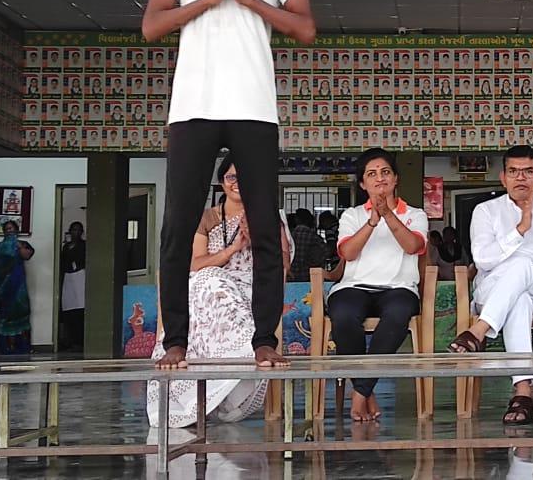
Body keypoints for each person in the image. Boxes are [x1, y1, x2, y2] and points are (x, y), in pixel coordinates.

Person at [142, 0, 315, 370]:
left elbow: (305, 29)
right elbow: (151, 27)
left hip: (254, 106)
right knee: (178, 225)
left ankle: (265, 339)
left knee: (264, 226)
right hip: (193, 104)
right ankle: (177, 339)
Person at [147, 153, 292, 426]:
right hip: (209, 288)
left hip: (252, 288)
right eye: (232, 177)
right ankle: (235, 355)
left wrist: (261, 241)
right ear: (222, 182)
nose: (238, 183)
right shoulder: (206, 218)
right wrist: (233, 249)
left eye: (245, 177)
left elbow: (283, 265)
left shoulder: (267, 217)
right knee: (210, 279)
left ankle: (244, 357)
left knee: (213, 282)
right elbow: (195, 264)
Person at [449, 145, 533, 425]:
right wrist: (521, 228)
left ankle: (479, 331)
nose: (520, 178)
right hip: (497, 287)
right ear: (503, 178)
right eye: (513, 171)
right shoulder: (486, 211)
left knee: (524, 265)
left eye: (528, 172)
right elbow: (484, 260)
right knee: (518, 298)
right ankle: (522, 393)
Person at [326, 148, 428, 421]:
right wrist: (373, 221)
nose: (379, 179)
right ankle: (367, 391)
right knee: (344, 315)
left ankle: (359, 393)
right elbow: (347, 254)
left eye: (385, 172)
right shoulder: (352, 215)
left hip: (399, 289)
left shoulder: (416, 214)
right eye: (371, 174)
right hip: (354, 287)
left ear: (395, 179)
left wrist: (388, 215)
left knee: (397, 315)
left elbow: (413, 246)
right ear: (363, 184)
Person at [0, 222, 34, 355]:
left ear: (17, 230)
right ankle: (5, 348)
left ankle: (23, 348)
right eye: (6, 229)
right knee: (5, 317)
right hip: (4, 288)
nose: (9, 231)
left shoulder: (21, 244)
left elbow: (28, 255)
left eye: (11, 229)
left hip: (19, 286)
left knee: (22, 313)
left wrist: (19, 247)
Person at [59, 221, 87, 352]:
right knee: (68, 309)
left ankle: (80, 340)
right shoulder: (66, 247)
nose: (76, 232)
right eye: (73, 230)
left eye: (78, 230)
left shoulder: (84, 246)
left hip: (80, 276)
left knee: (80, 309)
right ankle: (69, 339)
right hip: (68, 277)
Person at [287, 208, 326, 282]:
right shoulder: (314, 237)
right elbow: (325, 252)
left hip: (291, 277)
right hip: (309, 277)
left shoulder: (289, 236)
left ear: (297, 220)